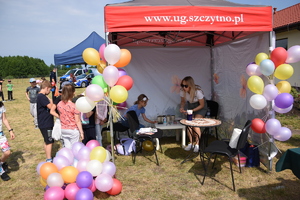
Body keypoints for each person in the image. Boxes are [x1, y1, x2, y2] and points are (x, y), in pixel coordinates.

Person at [179, 76, 208, 152]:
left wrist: (192, 110)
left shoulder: (198, 92)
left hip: (200, 107)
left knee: (196, 123)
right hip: (191, 106)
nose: (184, 87)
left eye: (186, 86)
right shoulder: (182, 91)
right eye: (182, 85)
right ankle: (191, 143)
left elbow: (202, 105)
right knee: (189, 124)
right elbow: (183, 102)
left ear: (190, 85)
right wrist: (182, 107)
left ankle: (197, 145)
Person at [57, 84, 84, 149]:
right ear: (72, 93)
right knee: (74, 149)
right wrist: (81, 132)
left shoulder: (59, 104)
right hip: (73, 130)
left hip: (63, 129)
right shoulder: (74, 106)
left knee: (67, 148)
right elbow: (77, 121)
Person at [37, 80, 54, 162]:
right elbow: (51, 107)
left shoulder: (40, 96)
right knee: (49, 141)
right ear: (47, 88)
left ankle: (48, 157)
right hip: (46, 123)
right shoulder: (42, 97)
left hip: (44, 123)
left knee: (47, 141)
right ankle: (49, 159)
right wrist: (52, 102)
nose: (49, 91)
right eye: (49, 90)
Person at [0, 101, 15, 181]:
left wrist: (10, 130)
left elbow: (4, 119)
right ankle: (1, 172)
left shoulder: (1, 105)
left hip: (0, 134)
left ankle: (1, 163)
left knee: (7, 152)